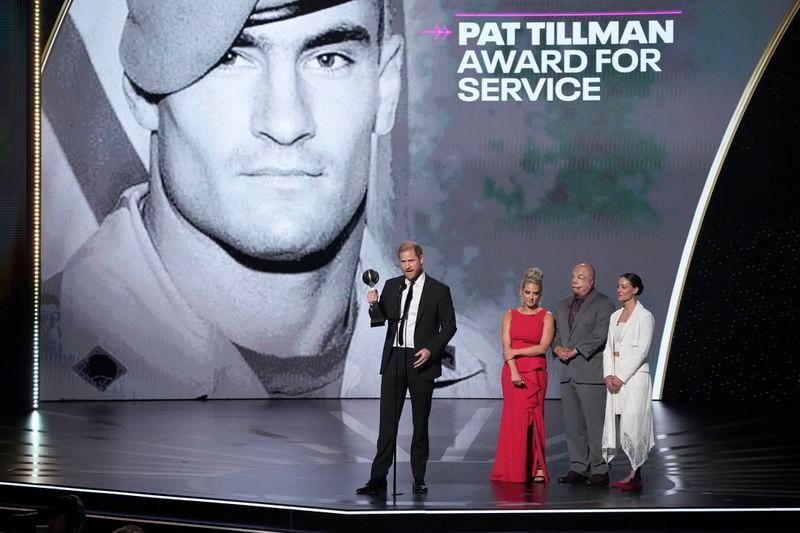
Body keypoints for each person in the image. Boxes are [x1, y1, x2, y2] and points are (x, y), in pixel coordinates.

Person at [41, 0, 492, 400]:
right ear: (142, 92)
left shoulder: (480, 382)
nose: (285, 121)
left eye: (329, 59)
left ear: (386, 87)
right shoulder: (34, 375)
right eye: (230, 59)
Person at [356, 241, 456, 496]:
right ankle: (378, 479)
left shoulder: (438, 290)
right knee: (387, 424)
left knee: (420, 423)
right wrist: (373, 305)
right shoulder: (392, 285)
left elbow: (449, 325)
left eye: (411, 261)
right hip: (394, 358)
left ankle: (418, 478)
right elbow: (381, 321)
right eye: (403, 262)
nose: (407, 266)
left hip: (421, 360)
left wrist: (431, 350)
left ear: (421, 259)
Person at [552, 262, 615, 486]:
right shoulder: (562, 304)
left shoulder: (604, 304)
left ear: (591, 281)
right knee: (573, 424)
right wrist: (557, 348)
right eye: (572, 276)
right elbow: (556, 333)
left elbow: (601, 334)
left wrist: (576, 350)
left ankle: (600, 468)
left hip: (589, 370)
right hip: (567, 371)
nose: (574, 280)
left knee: (595, 424)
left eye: (580, 277)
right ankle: (578, 466)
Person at [490, 267, 554, 483]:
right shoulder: (509, 315)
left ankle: (536, 467)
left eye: (535, 293)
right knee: (514, 422)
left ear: (540, 294)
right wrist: (514, 371)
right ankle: (514, 468)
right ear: (521, 291)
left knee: (535, 420)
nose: (531, 297)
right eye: (528, 292)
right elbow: (505, 346)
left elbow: (543, 347)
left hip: (536, 373)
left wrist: (517, 352)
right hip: (512, 372)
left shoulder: (547, 316)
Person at [602, 273, 655, 491]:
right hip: (614, 378)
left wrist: (621, 377)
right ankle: (623, 470)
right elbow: (608, 347)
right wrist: (608, 375)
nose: (619, 290)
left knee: (633, 424)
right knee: (616, 423)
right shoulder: (615, 316)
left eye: (624, 286)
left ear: (635, 290)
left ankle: (636, 473)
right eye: (618, 286)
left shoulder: (645, 317)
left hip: (634, 378)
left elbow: (641, 351)